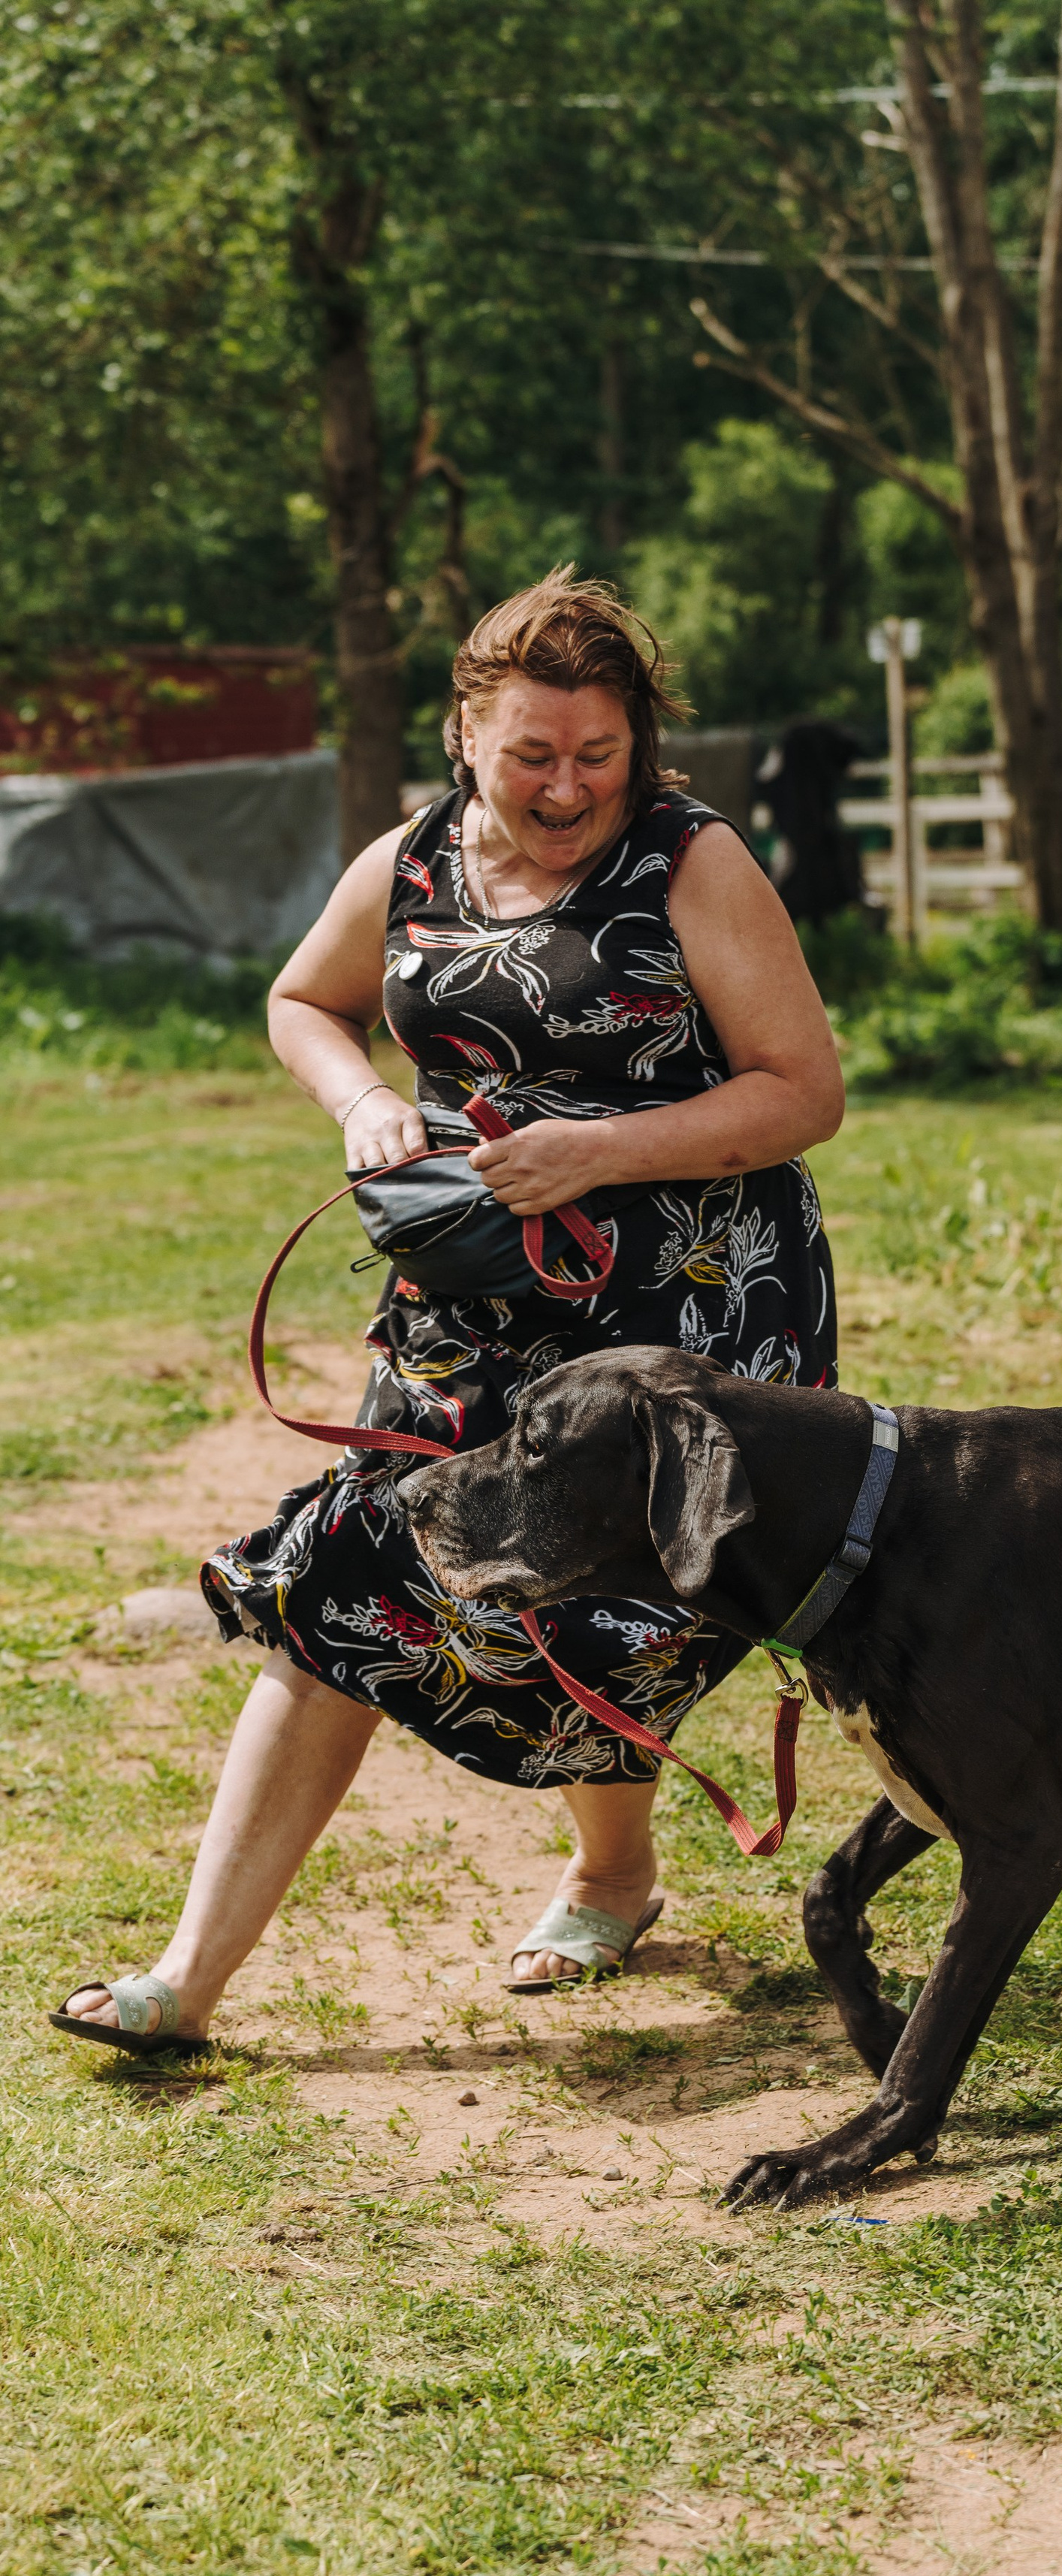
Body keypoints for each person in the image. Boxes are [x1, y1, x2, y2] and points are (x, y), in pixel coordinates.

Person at [53, 568, 843, 2055]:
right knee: (343, 1585)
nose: (564, 787)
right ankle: (187, 1978)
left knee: (598, 1612)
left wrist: (601, 1148)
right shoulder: (413, 859)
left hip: (680, 1312)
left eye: (597, 756)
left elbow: (804, 1093)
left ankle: (612, 1874)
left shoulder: (692, 862)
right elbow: (304, 998)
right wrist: (359, 1099)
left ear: (641, 749)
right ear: (464, 732)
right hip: (467, 1302)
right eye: (531, 754)